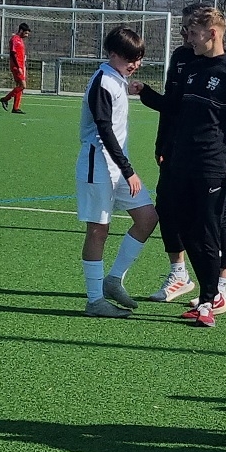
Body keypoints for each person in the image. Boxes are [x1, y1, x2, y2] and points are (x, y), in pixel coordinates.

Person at [159, 7, 226, 327]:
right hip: (181, 164)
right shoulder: (192, 67)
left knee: (208, 234)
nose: (189, 38)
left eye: (194, 33)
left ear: (212, 33)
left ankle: (208, 301)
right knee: (184, 229)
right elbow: (174, 110)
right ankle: (207, 294)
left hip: (212, 167)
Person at [76, 26, 159, 317]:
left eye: (138, 58)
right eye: (130, 59)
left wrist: (130, 88)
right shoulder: (102, 82)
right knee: (98, 230)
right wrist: (129, 170)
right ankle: (95, 300)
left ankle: (114, 279)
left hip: (116, 164)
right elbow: (104, 131)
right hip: (98, 163)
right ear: (112, 54)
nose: (136, 64)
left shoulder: (116, 78)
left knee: (147, 218)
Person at [134, 4, 201, 303]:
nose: (185, 34)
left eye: (190, 28)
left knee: (206, 218)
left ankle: (218, 286)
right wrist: (161, 144)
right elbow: (171, 106)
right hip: (174, 150)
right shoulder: (180, 56)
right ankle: (179, 273)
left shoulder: (222, 66)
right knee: (167, 209)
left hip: (204, 156)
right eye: (183, 28)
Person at [1, 22, 31, 114]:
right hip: (16, 66)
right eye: (26, 33)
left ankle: (15, 108)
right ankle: (5, 99)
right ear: (21, 30)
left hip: (21, 66)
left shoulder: (20, 40)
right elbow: (13, 53)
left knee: (19, 86)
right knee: (23, 85)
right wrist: (18, 67)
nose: (26, 35)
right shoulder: (15, 39)